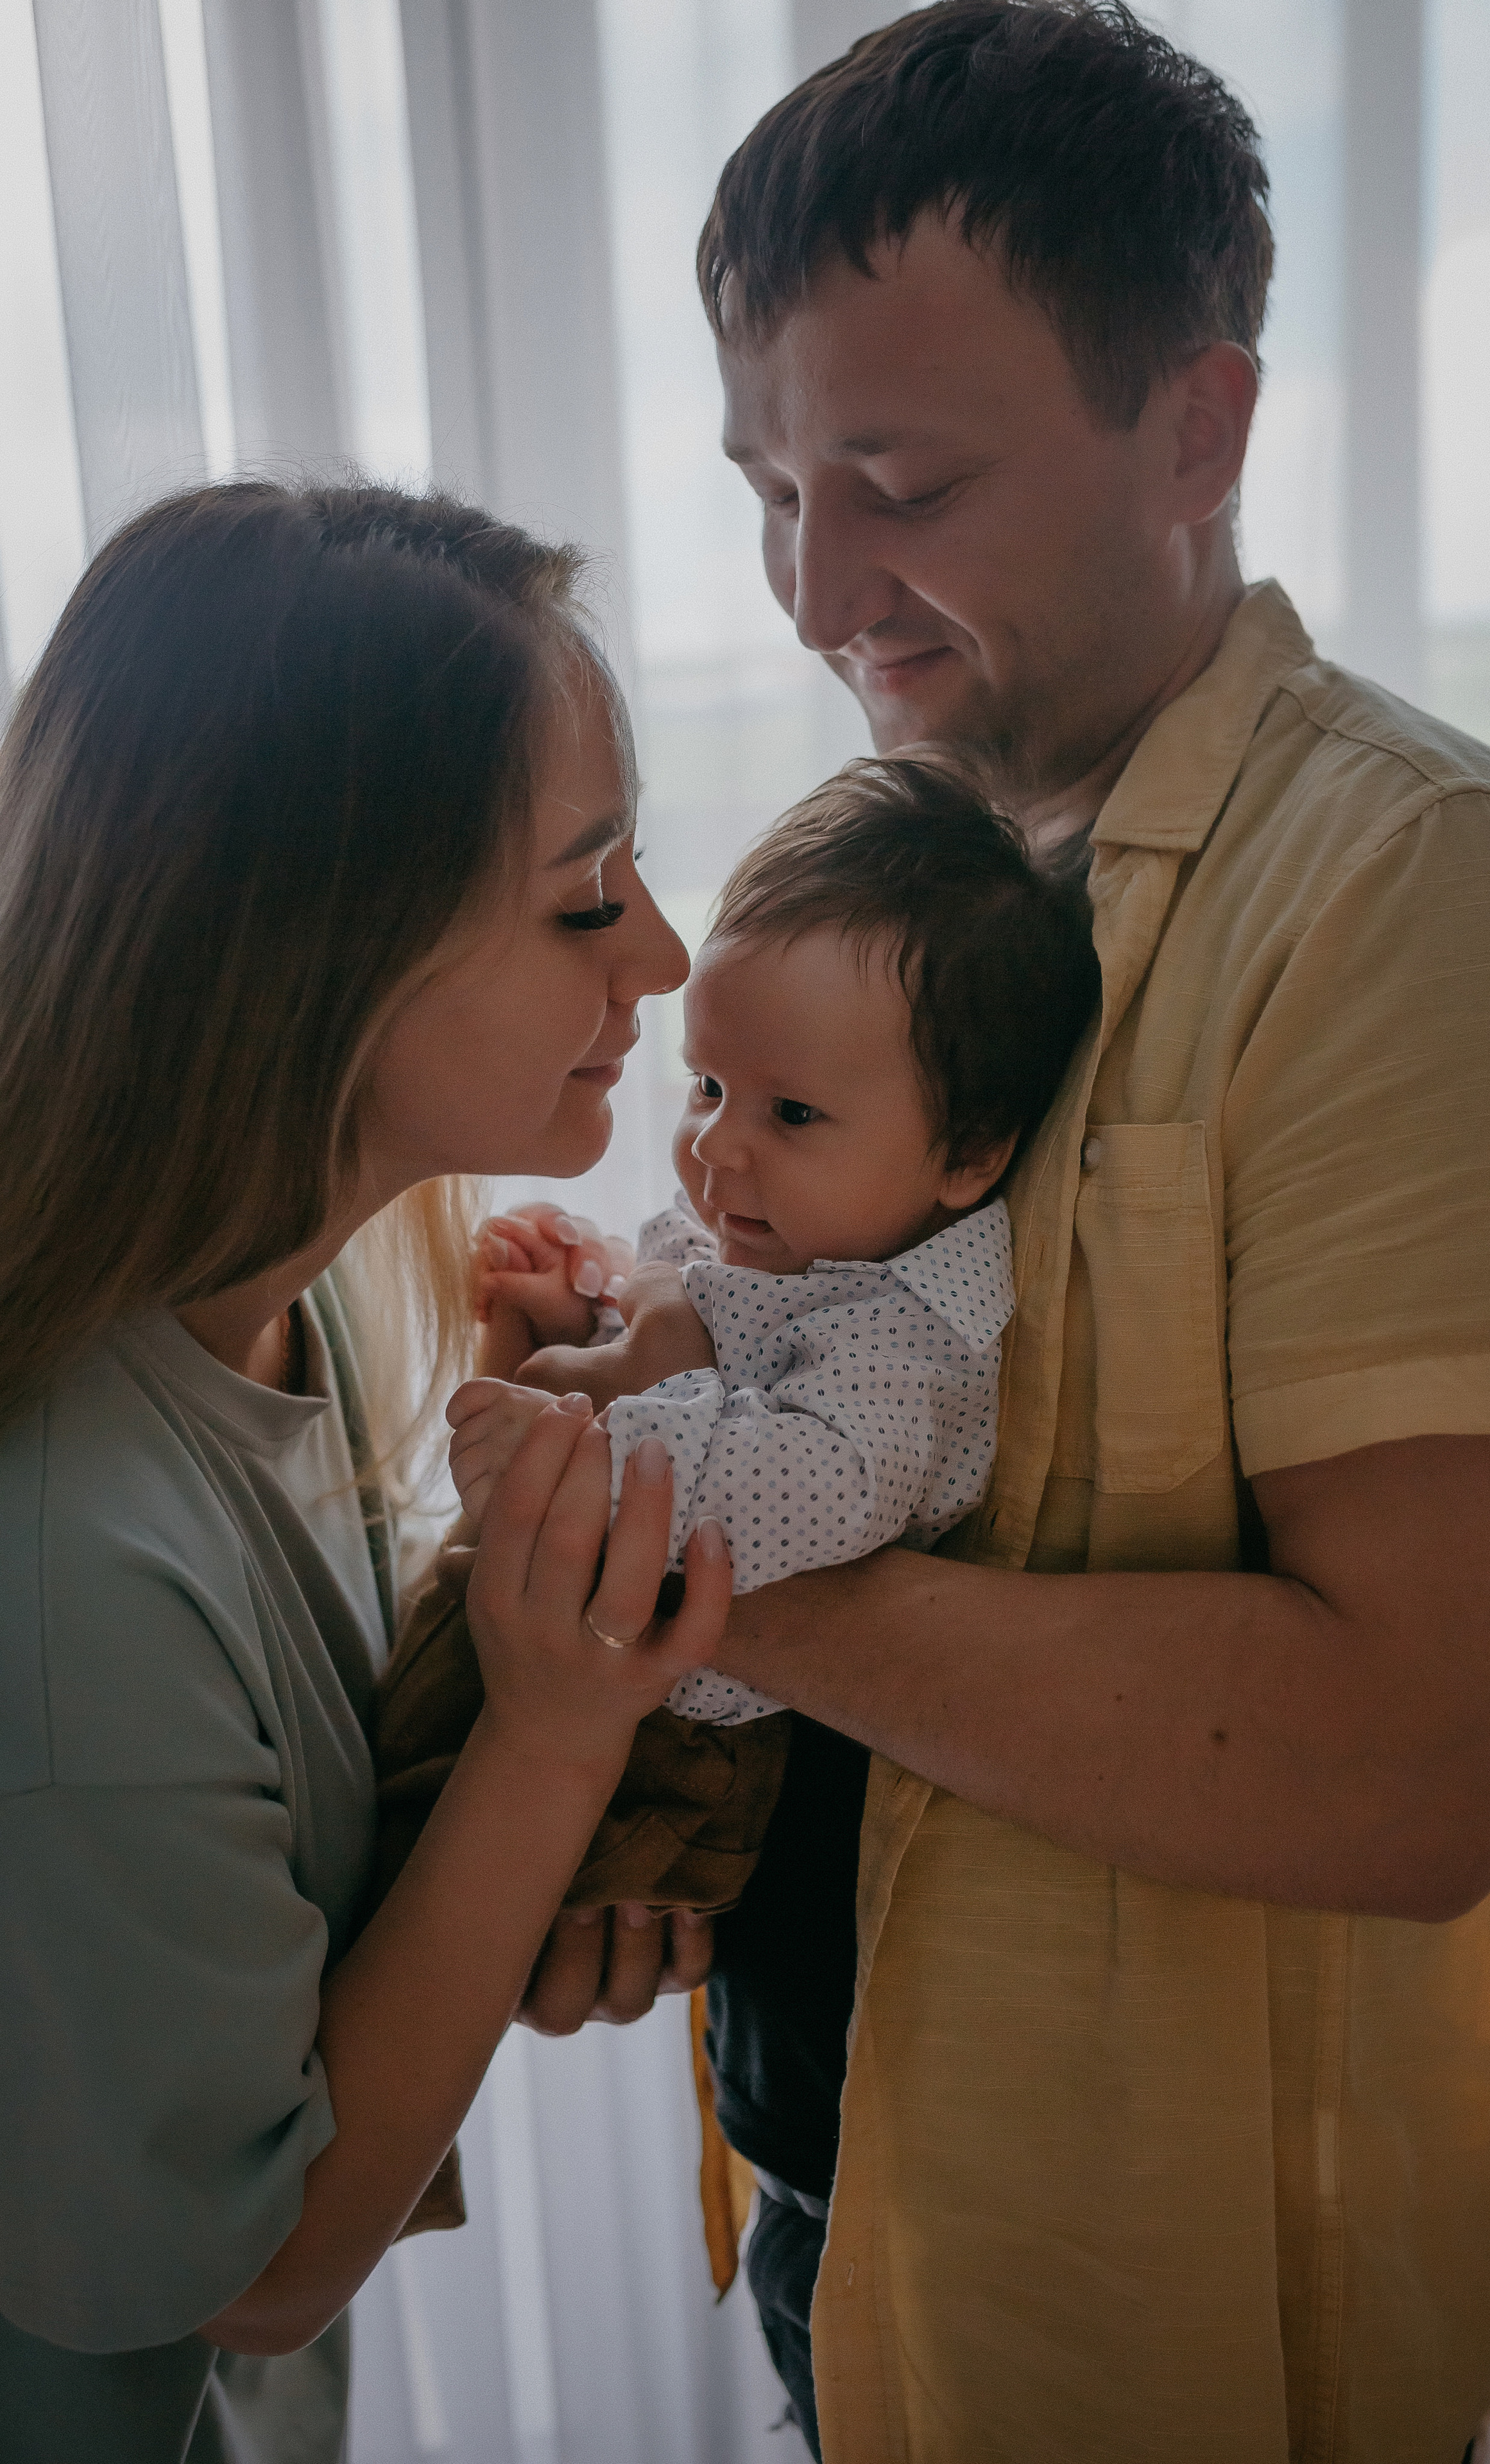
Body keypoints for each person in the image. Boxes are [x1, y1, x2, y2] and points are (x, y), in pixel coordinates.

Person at [518, 5, 1490, 2456]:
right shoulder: (921, 869)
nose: (820, 586)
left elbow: (1404, 1764)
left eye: (901, 481)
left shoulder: (1432, 901)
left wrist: (646, 1563)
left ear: (1201, 430)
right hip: (862, 2191)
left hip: (1158, 2308)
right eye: (771, 488)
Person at [0, 481, 730, 2464]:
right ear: (309, 947)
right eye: (586, 897)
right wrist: (553, 1744)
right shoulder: (68, 1562)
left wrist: (485, 1851)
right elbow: (258, 2261)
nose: (664, 955)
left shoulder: (280, 1313)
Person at [372, 758, 1099, 1985]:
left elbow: (814, 1487)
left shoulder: (905, 1335)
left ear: (970, 1154)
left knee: (402, 1899)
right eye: (708, 1086)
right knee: (365, 1805)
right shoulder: (784, 1231)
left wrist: (594, 1444)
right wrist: (591, 1298)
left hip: (679, 1748)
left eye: (791, 1115)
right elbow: (691, 1324)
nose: (716, 1147)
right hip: (586, 1655)